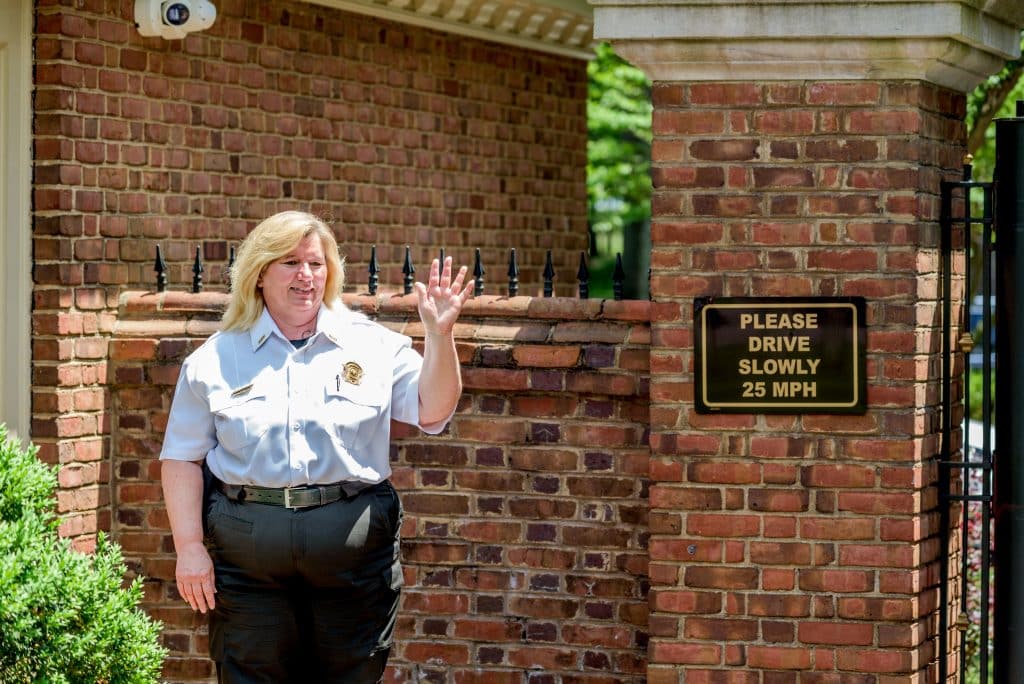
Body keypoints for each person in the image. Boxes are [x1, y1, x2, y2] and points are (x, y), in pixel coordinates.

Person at [159, 210, 472, 683]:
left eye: (317, 263)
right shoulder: (215, 359)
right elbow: (182, 455)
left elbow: (433, 409)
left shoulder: (370, 345)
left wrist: (440, 334)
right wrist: (188, 548)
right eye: (290, 262)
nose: (306, 275)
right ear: (259, 274)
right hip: (248, 565)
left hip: (352, 562)